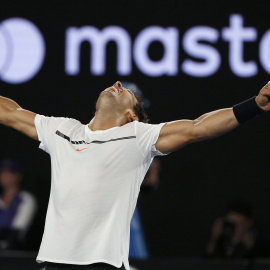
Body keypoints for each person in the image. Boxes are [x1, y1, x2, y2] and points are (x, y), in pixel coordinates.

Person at [0, 81, 269, 270]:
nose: (117, 83)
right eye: (118, 85)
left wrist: (255, 105)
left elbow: (198, 128)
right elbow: (11, 113)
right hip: (53, 262)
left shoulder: (138, 136)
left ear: (131, 116)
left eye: (126, 91)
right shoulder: (62, 130)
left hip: (102, 264)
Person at [0, 159, 37, 250]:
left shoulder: (26, 198)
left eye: (10, 173)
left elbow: (18, 229)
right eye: (3, 173)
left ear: (18, 176)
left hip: (14, 250)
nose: (6, 176)